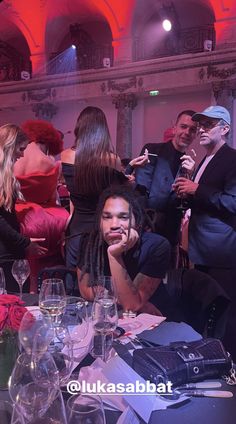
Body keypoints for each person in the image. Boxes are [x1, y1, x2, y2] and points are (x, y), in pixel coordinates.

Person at [173, 105, 236, 360]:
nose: (201, 128)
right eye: (200, 123)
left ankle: (229, 364)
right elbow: (204, 200)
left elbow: (232, 202)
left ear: (225, 129)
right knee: (209, 310)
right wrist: (187, 195)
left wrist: (196, 189)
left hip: (221, 254)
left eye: (209, 124)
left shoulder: (232, 158)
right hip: (203, 250)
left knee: (226, 314)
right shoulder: (205, 160)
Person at [77, 186, 171, 315]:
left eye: (123, 217)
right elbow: (84, 290)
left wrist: (114, 255)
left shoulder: (157, 246)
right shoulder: (90, 242)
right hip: (106, 316)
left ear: (137, 222)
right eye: (107, 217)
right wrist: (113, 295)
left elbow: (131, 305)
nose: (114, 225)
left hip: (151, 322)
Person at [126, 110, 198, 267]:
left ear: (196, 134)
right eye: (183, 127)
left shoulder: (189, 165)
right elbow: (140, 194)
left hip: (171, 237)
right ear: (174, 127)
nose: (187, 132)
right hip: (147, 232)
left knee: (167, 285)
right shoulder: (152, 150)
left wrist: (190, 178)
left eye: (192, 130)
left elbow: (184, 205)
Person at [61, 106, 129, 271]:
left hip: (76, 230)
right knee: (103, 285)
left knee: (73, 285)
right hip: (102, 232)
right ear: (103, 130)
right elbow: (120, 196)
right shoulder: (112, 160)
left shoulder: (66, 155)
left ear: (79, 128)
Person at [14, 120, 69, 292]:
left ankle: (26, 289)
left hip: (20, 215)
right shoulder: (51, 163)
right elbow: (52, 197)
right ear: (47, 141)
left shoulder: (15, 158)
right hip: (48, 219)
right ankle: (47, 289)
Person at [0, 124, 47, 292]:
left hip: (10, 250)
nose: (22, 154)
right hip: (5, 254)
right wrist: (23, 242)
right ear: (9, 145)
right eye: (21, 149)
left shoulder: (5, 174)